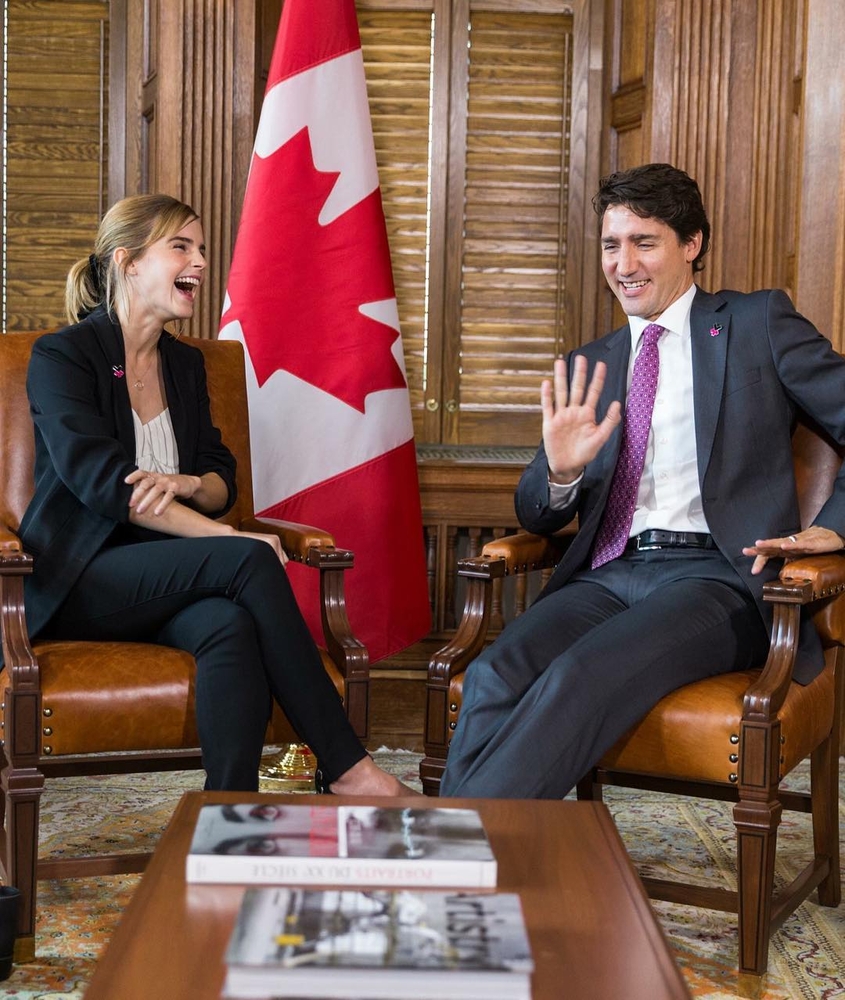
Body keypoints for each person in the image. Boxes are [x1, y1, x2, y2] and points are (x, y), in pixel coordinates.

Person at [441, 162, 845, 800]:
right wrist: (562, 470)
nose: (622, 263)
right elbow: (536, 512)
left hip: (718, 578)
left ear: (692, 245)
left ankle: (451, 861)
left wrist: (832, 528)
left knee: (577, 677)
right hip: (609, 574)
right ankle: (477, 857)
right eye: (610, 244)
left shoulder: (755, 324)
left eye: (644, 242)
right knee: (495, 672)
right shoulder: (592, 365)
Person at [19, 192, 414, 796]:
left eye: (201, 249)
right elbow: (104, 485)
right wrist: (228, 539)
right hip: (78, 577)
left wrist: (188, 483)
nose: (201, 263)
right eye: (182, 247)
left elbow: (220, 476)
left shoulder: (185, 364)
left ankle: (228, 812)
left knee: (228, 624)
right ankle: (348, 767)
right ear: (127, 262)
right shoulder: (63, 356)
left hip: (169, 574)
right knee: (249, 558)